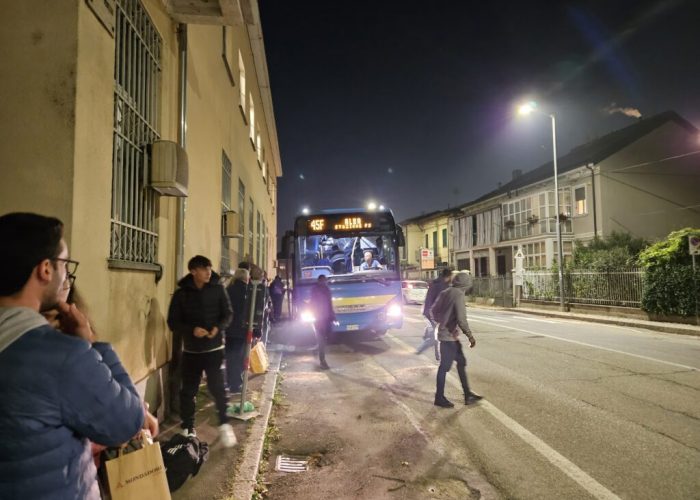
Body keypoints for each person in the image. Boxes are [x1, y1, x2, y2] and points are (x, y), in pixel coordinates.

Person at [0, 212, 146, 499]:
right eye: (64, 264)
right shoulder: (61, 357)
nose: (66, 273)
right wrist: (91, 345)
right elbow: (126, 422)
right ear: (45, 269)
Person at [167, 255, 236, 447]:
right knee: (188, 391)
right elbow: (173, 322)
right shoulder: (182, 294)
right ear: (193, 271)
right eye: (204, 269)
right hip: (192, 351)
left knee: (218, 389)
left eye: (209, 268)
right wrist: (191, 330)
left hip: (214, 349)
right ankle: (188, 427)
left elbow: (228, 313)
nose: (208, 272)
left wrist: (218, 327)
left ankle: (224, 424)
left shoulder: (218, 289)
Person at [431, 271, 482, 408]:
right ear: (466, 284)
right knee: (444, 367)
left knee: (461, 362)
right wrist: (470, 336)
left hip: (447, 336)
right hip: (449, 338)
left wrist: (441, 321)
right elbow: (461, 319)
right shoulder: (458, 295)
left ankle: (467, 394)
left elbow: (433, 311)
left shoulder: (445, 292)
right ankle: (439, 397)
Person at [416, 268, 453, 358]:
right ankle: (420, 350)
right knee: (435, 337)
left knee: (437, 334)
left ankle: (437, 354)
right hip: (434, 314)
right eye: (451, 276)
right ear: (448, 277)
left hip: (428, 312)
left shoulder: (435, 283)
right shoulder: (443, 286)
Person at [225, 267, 249, 394]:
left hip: (229, 328)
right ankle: (236, 384)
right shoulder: (247, 290)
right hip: (241, 328)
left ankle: (230, 381)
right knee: (239, 357)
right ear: (245, 277)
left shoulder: (229, 289)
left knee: (230, 356)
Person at [310, 274, 335, 370]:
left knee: (322, 339)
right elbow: (328, 304)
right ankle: (322, 361)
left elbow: (329, 304)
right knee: (321, 340)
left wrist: (332, 316)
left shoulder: (320, 289)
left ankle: (322, 358)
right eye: (324, 280)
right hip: (321, 319)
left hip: (322, 319)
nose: (325, 282)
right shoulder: (322, 290)